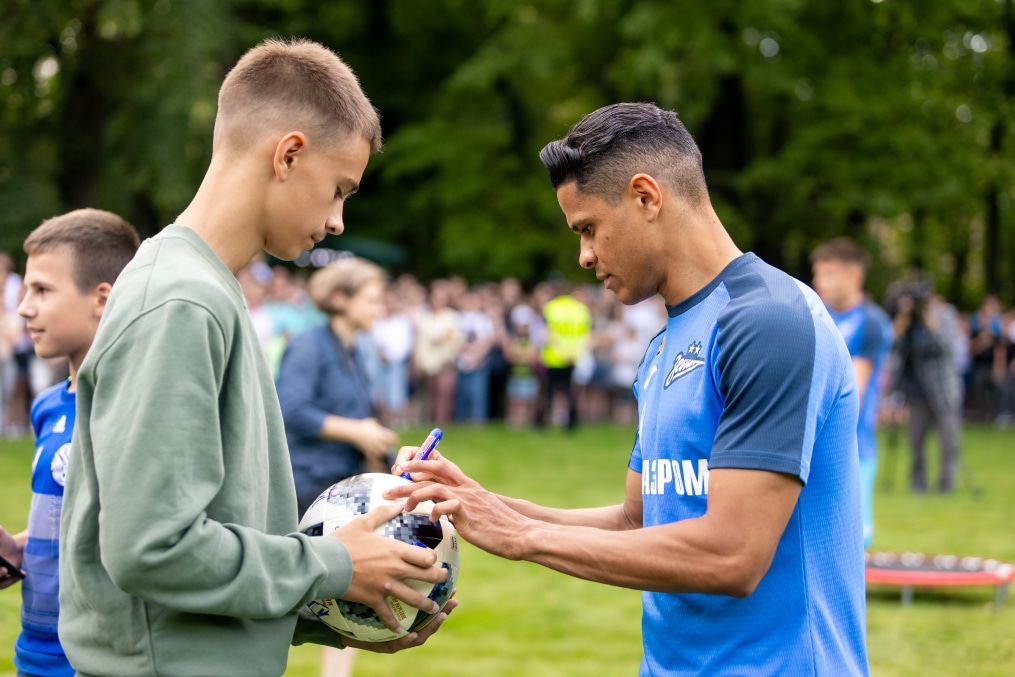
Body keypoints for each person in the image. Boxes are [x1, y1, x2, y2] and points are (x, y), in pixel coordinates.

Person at [389, 102, 868, 675]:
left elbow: (734, 555)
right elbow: (637, 522)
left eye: (588, 228)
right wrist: (481, 503)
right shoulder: (666, 342)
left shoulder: (770, 321)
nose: (584, 255)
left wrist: (521, 535)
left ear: (646, 197)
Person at [57, 38, 454, 677]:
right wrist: (335, 564)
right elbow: (151, 550)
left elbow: (205, 547)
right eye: (338, 189)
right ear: (289, 154)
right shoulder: (180, 301)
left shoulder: (206, 288)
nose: (338, 222)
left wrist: (339, 603)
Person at [0, 209, 140, 677]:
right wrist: (17, 549)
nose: (23, 308)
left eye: (42, 290)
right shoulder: (46, 405)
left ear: (101, 298)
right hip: (31, 653)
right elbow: (67, 523)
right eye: (24, 291)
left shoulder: (133, 410)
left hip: (91, 659)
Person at [276, 256, 399, 677]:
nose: (379, 308)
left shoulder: (351, 349)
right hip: (308, 488)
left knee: (353, 597)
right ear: (341, 298)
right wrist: (357, 431)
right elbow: (290, 408)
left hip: (339, 484)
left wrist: (375, 445)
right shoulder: (309, 344)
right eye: (372, 298)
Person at [811, 237, 894, 548]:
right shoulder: (813, 315)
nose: (820, 282)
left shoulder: (871, 322)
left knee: (853, 539)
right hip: (810, 443)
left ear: (854, 276)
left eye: (830, 273)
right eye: (818, 273)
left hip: (854, 446)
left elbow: (854, 392)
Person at [890, 284, 964, 493]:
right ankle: (918, 486)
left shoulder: (945, 314)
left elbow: (945, 346)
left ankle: (945, 485)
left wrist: (928, 317)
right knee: (916, 443)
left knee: (949, 442)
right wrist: (904, 317)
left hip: (944, 392)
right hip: (916, 392)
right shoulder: (908, 320)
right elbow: (892, 344)